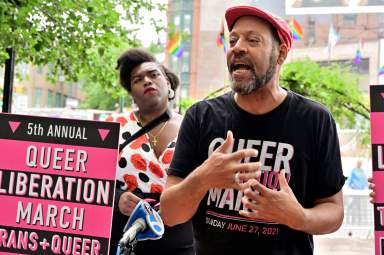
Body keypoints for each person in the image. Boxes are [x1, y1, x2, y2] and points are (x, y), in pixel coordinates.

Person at [160, 5, 345, 255]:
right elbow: (170, 214)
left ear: (280, 54)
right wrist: (203, 178)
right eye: (233, 39)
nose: (237, 47)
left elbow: (333, 211)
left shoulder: (314, 119)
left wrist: (299, 217)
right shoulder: (200, 116)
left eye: (253, 40)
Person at [107, 48, 194, 255]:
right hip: (124, 238)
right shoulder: (113, 127)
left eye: (154, 75)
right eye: (138, 79)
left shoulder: (193, 126)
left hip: (179, 240)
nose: (147, 81)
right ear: (132, 94)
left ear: (168, 83)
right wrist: (117, 198)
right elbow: (87, 182)